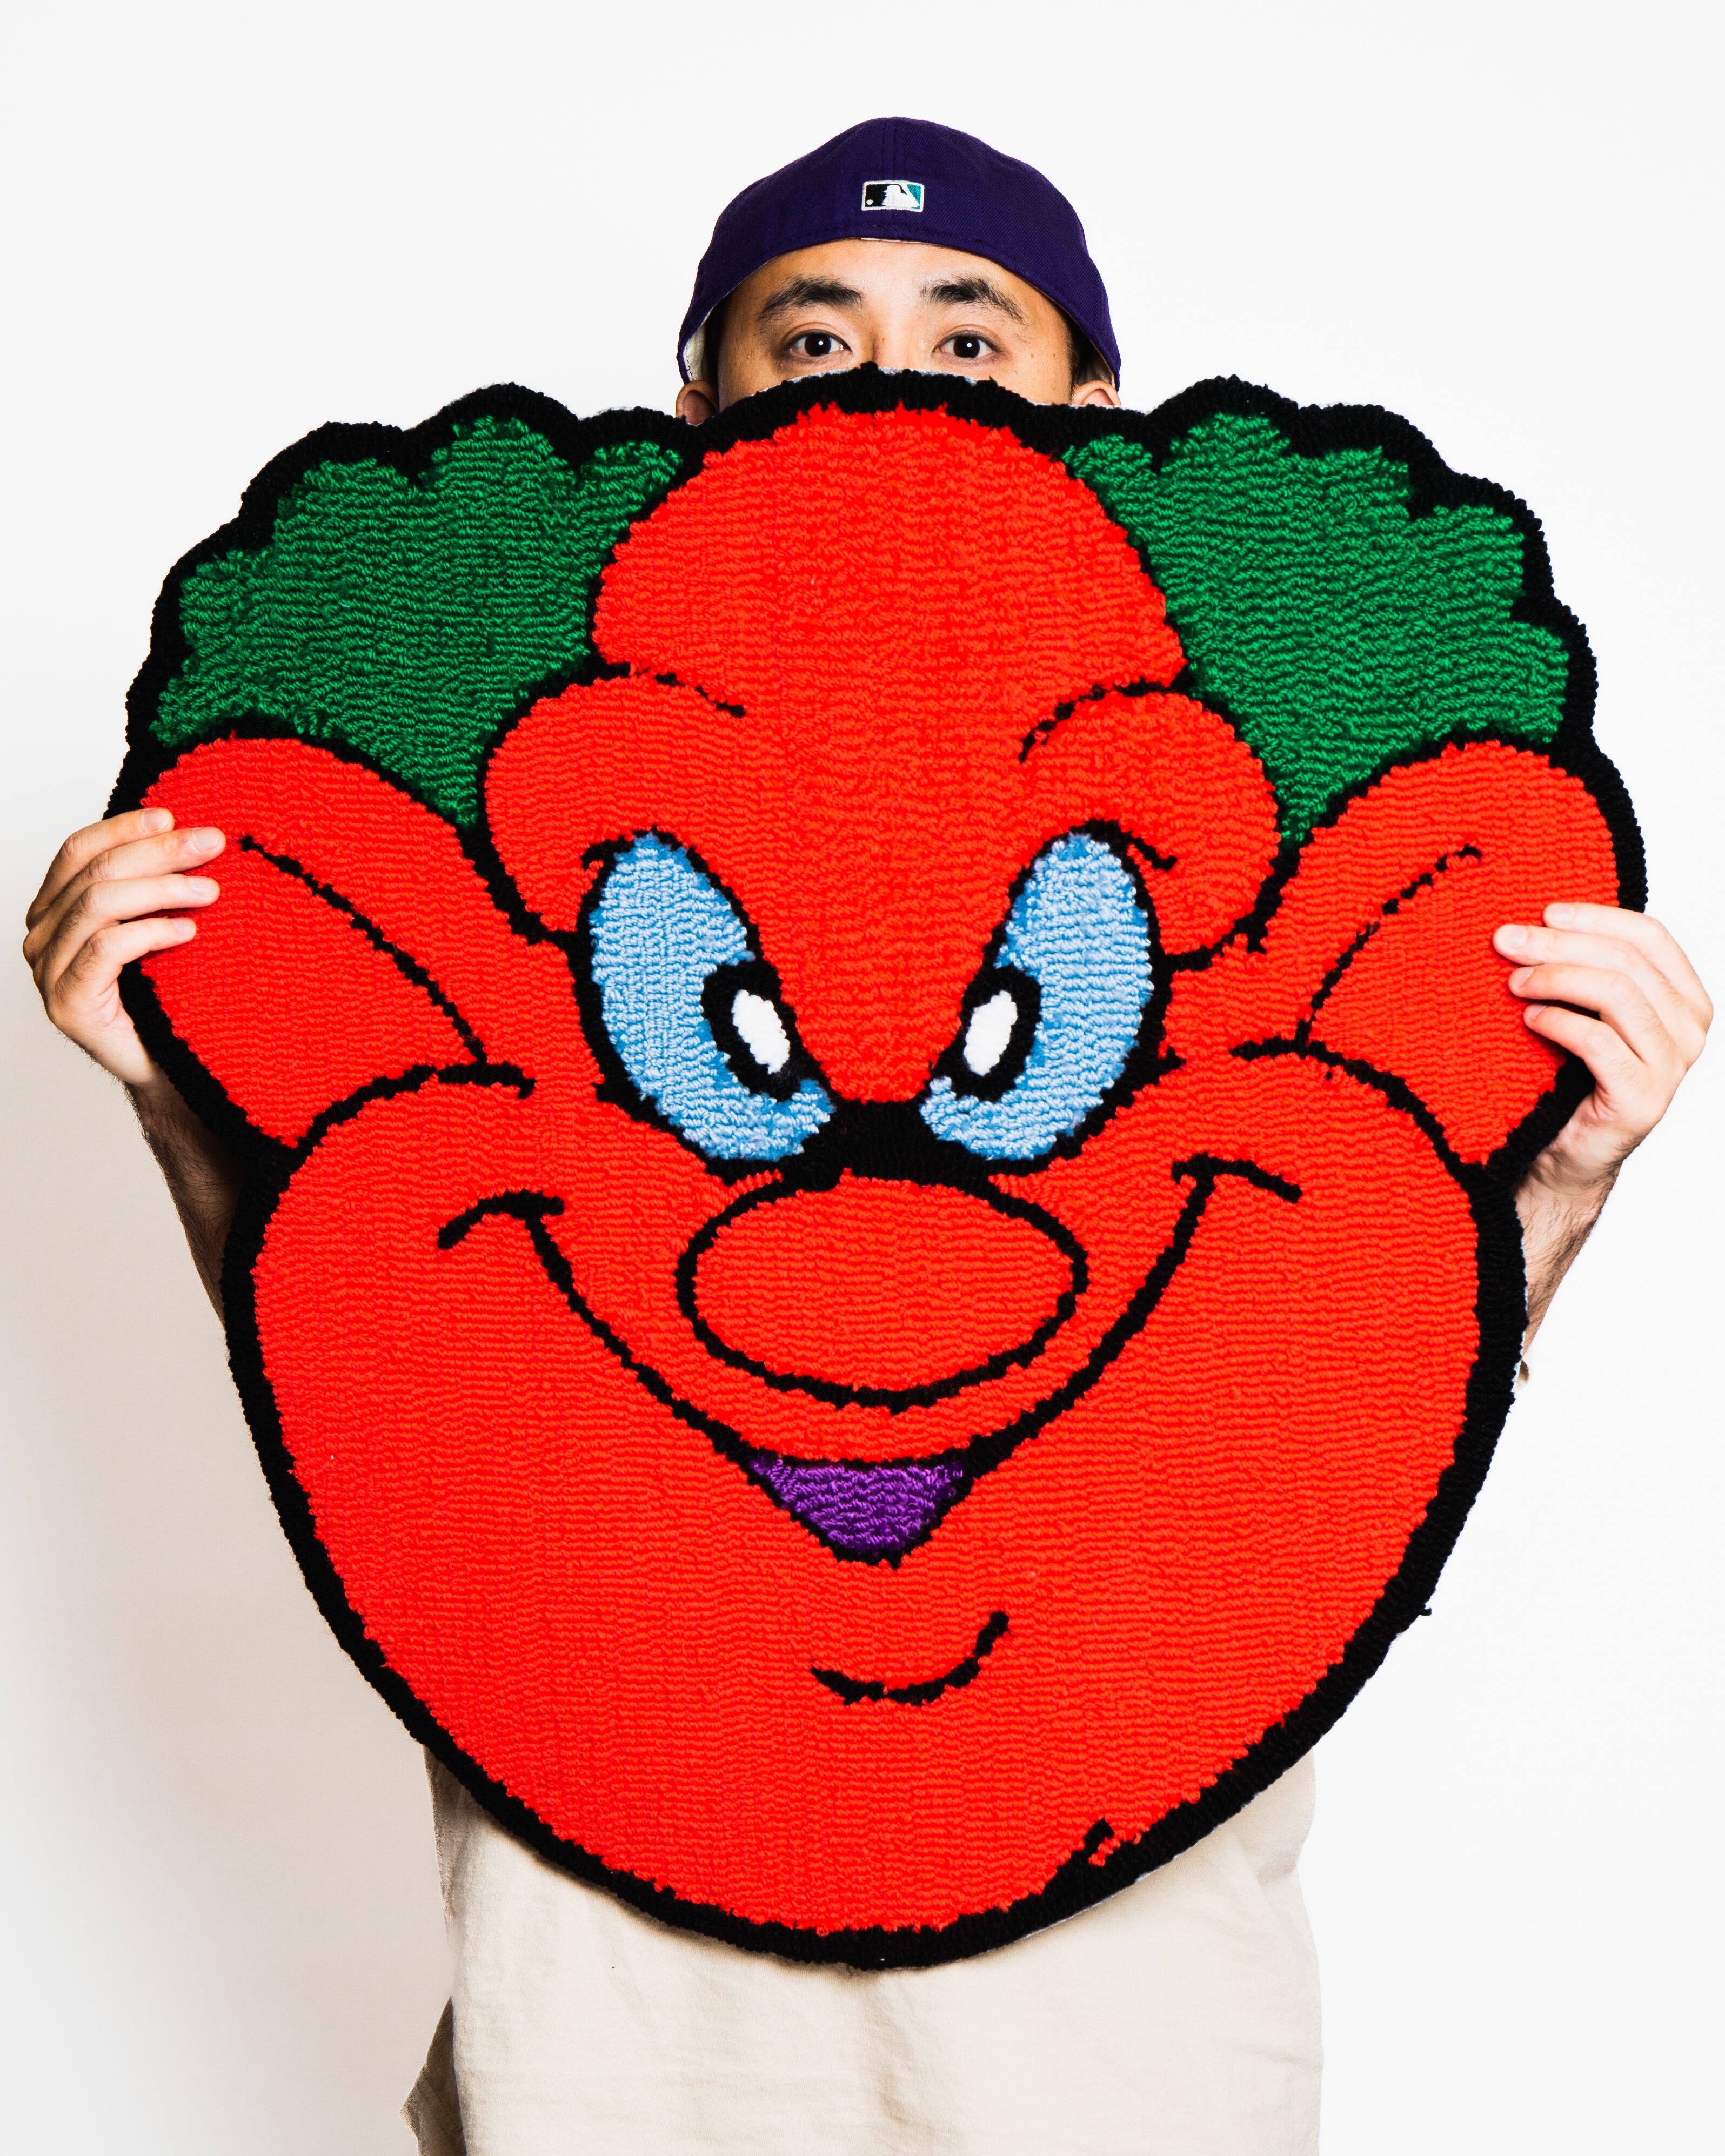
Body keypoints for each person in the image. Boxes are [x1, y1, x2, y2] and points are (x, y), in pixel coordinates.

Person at [22, 118, 1711, 2156]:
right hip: (602, 2075)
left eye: (969, 339)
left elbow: (1328, 1405)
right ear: (697, 406)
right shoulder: (510, 876)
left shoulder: (1255, 901)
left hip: (1124, 2077)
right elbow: (391, 1386)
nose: (893, 381)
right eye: (813, 339)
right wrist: (183, 1100)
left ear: (1097, 411)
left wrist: (1558, 1179)